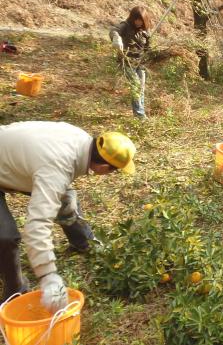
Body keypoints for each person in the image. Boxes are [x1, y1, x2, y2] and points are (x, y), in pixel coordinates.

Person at [0, 121, 136, 312]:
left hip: (13, 161)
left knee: (65, 198)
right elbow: (37, 225)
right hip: (9, 164)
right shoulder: (57, 168)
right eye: (114, 171)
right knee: (5, 237)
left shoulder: (80, 137)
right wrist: (48, 276)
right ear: (104, 167)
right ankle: (16, 289)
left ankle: (85, 242)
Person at [109, 6, 152, 119]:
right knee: (136, 86)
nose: (138, 22)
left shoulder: (145, 31)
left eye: (141, 20)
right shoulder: (125, 26)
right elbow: (114, 30)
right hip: (126, 62)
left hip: (140, 64)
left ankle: (140, 112)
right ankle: (140, 115)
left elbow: (148, 49)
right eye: (136, 19)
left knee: (141, 88)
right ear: (132, 18)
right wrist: (116, 38)